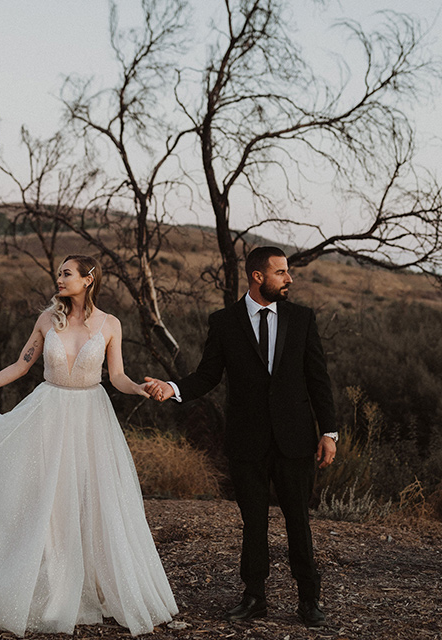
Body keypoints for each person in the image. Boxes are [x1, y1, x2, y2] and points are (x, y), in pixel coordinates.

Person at [0, 254, 178, 637]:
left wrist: (142, 388)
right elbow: (21, 366)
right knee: (47, 499)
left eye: (68, 273)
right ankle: (54, 590)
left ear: (89, 279)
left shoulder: (110, 324)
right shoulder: (47, 319)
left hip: (91, 417)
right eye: (59, 273)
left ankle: (99, 584)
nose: (59, 278)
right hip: (49, 412)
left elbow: (118, 376)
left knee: (96, 499)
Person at [144, 246, 337, 628]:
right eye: (281, 272)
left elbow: (318, 379)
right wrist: (172, 387)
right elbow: (207, 375)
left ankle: (308, 600)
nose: (289, 279)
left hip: (295, 439)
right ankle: (254, 597)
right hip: (247, 441)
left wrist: (329, 432)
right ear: (257, 276)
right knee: (254, 522)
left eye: (287, 272)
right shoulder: (225, 322)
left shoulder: (301, 319)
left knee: (298, 520)